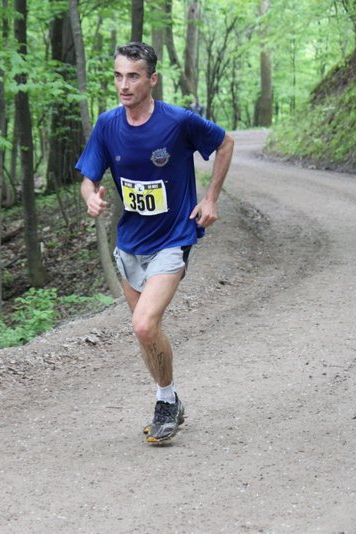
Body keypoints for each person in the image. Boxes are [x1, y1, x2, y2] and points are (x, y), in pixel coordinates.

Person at [76, 42, 234, 444]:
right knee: (146, 333)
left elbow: (225, 143)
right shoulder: (108, 125)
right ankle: (171, 398)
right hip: (130, 243)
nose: (124, 85)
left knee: (144, 324)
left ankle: (164, 402)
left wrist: (211, 198)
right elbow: (87, 179)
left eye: (133, 76)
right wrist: (91, 197)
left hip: (173, 239)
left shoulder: (177, 121)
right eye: (118, 76)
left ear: (152, 80)